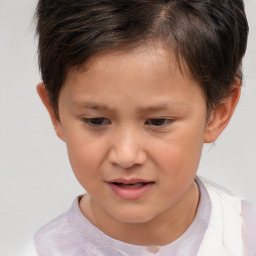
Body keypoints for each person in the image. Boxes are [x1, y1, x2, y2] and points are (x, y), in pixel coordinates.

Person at [32, 0, 255, 255]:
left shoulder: (246, 239)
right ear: (55, 112)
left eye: (158, 121)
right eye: (96, 121)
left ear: (218, 112)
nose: (126, 156)